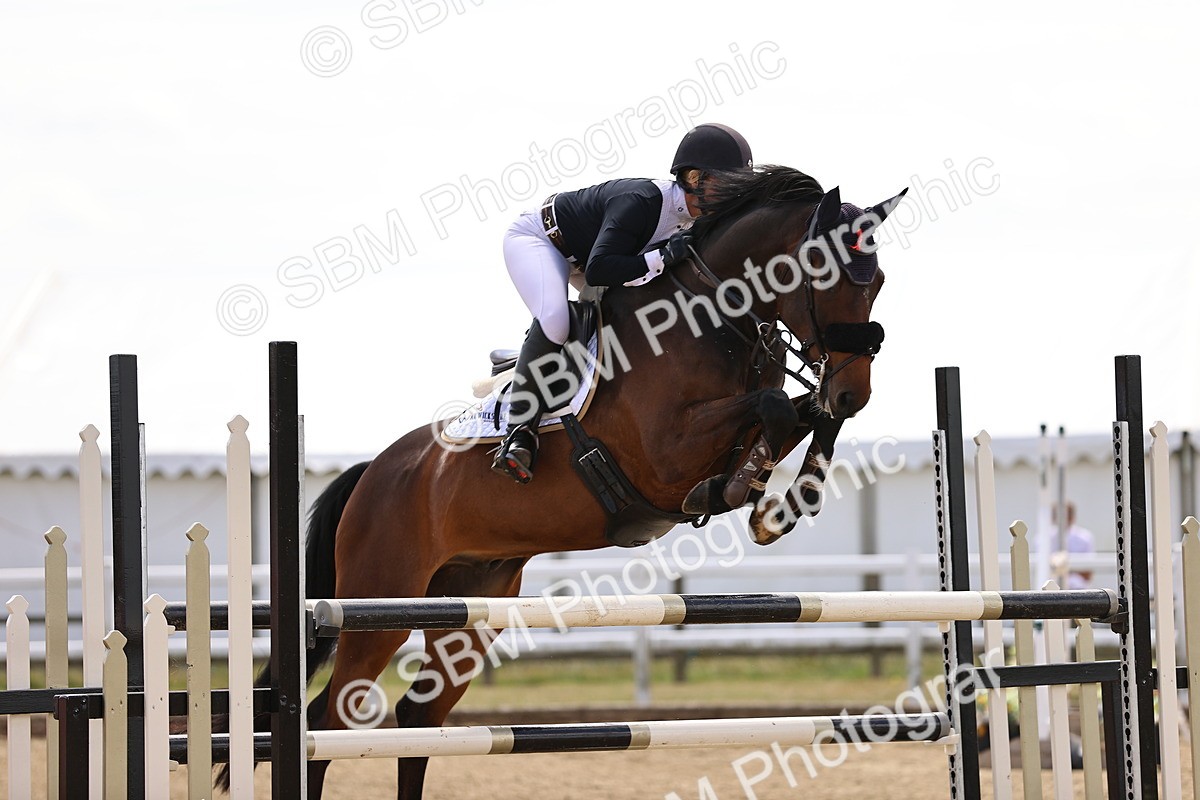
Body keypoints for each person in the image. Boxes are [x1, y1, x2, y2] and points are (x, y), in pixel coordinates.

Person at [491, 123, 754, 484]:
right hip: (544, 241)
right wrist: (661, 258)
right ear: (694, 178)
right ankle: (519, 431)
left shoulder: (696, 221)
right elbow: (599, 270)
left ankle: (534, 362)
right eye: (725, 186)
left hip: (595, 256)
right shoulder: (645, 202)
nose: (731, 198)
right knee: (555, 318)